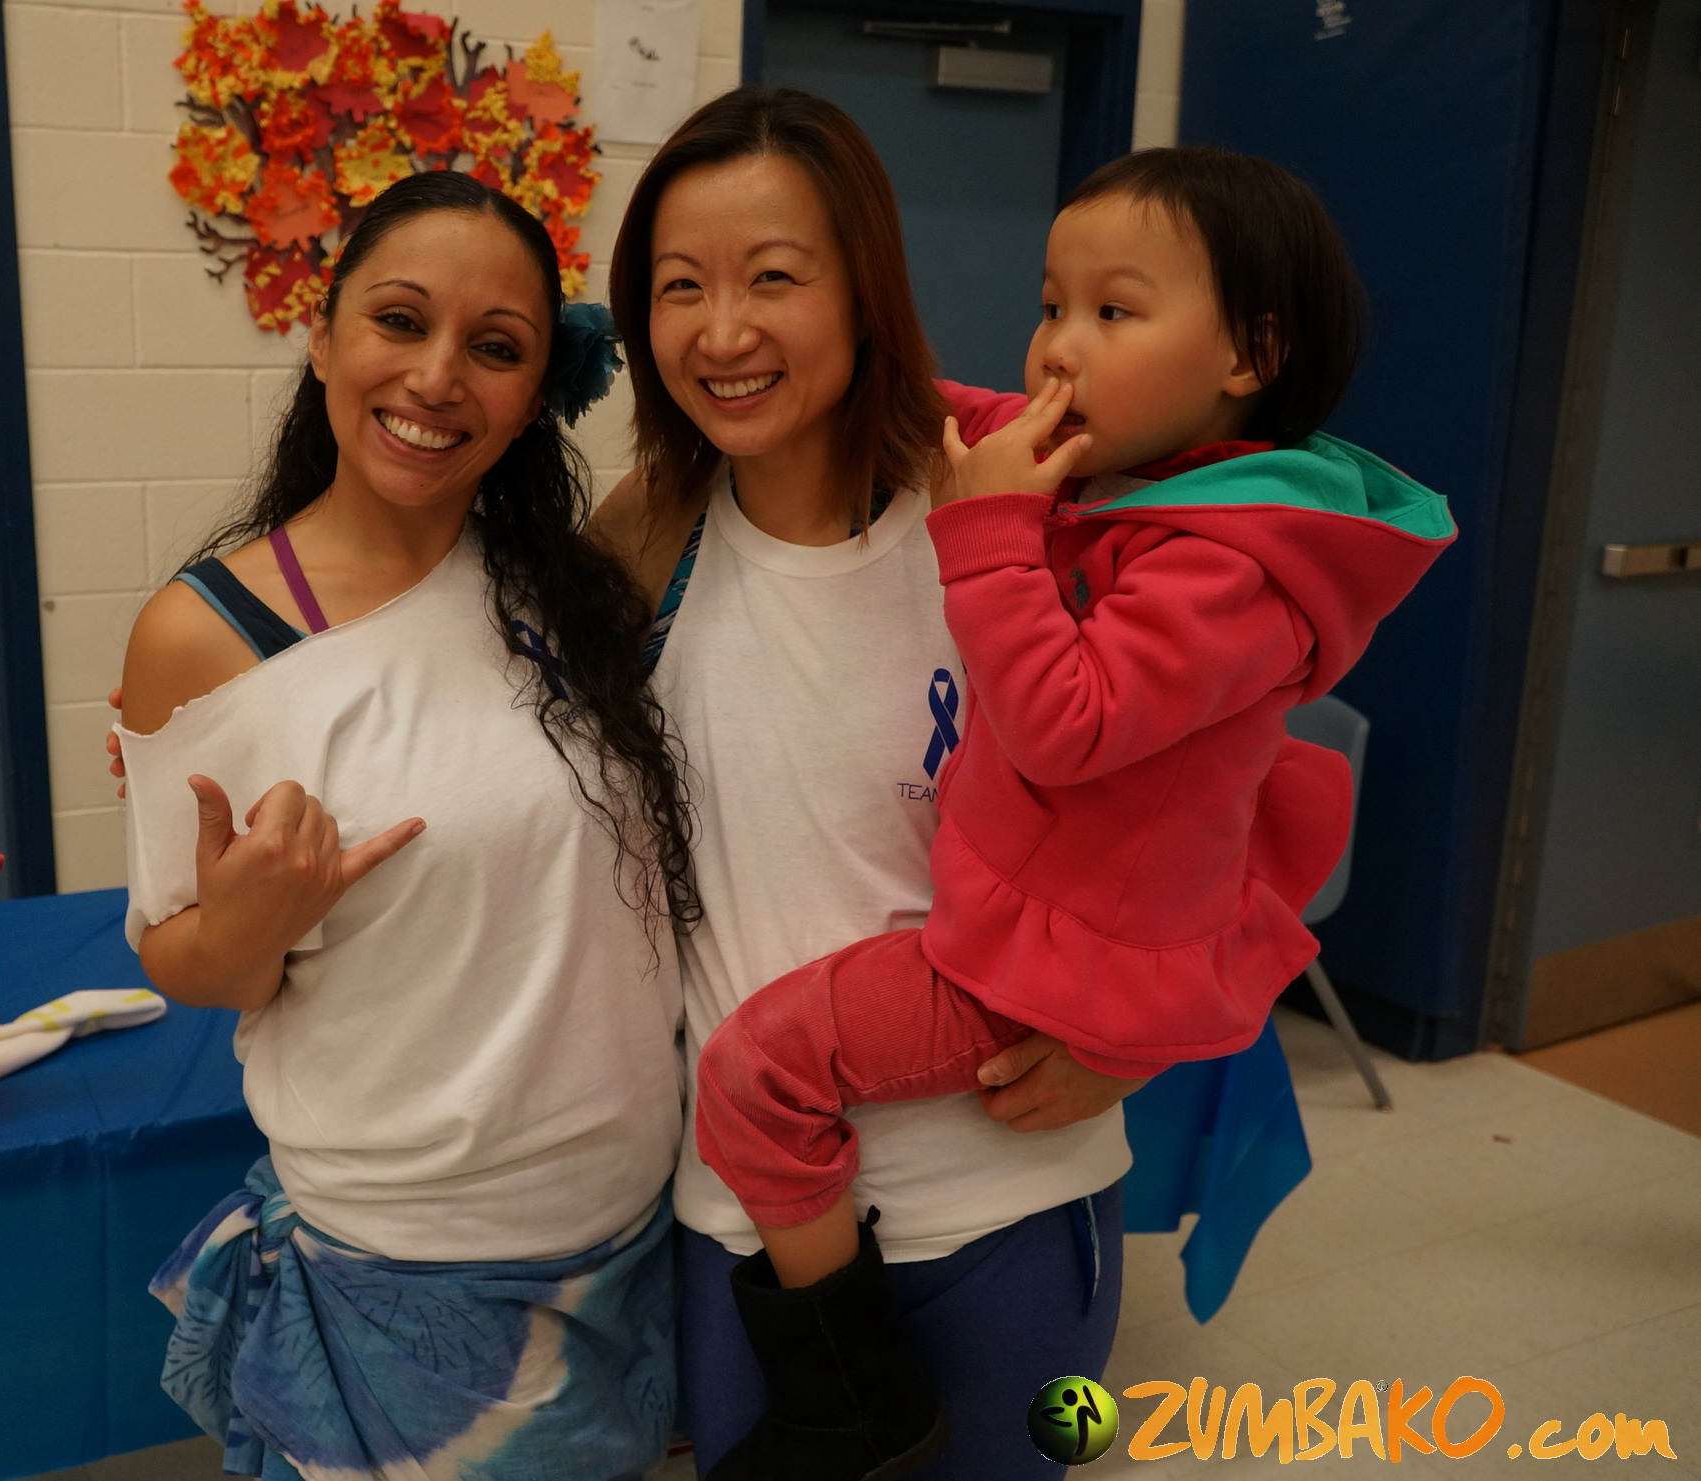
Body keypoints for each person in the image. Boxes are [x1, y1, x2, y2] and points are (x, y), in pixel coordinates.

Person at [689, 145, 1456, 1477]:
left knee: (758, 1075)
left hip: (1044, 965)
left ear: (1250, 355)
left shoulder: (1234, 563)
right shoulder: (1160, 475)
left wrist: (986, 532)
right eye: (1052, 304)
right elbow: (961, 416)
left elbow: (1067, 722)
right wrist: (829, 354)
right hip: (1037, 925)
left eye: (1112, 311)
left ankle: (846, 1391)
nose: (1057, 346)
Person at [593, 88, 1143, 1479]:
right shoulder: (644, 535)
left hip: (1009, 1195)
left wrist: (1149, 1032)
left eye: (775, 277)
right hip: (750, 1222)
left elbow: (1211, 805)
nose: (723, 332)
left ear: (865, 289)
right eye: (680, 287)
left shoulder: (1014, 514)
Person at [117, 170, 696, 1481]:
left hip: (632, 1233)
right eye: (399, 320)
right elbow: (179, 954)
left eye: (496, 347)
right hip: (412, 1275)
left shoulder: (569, 589)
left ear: (540, 388)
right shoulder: (206, 633)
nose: (438, 377)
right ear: (322, 335)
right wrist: (252, 925)